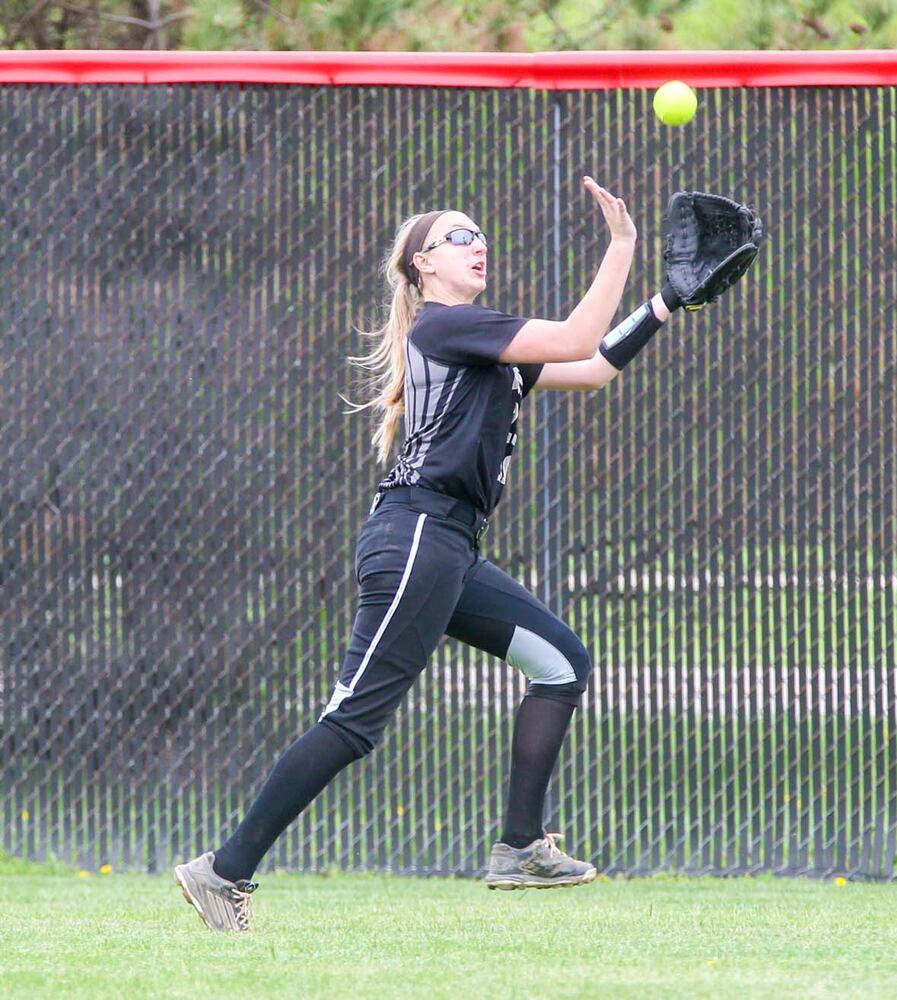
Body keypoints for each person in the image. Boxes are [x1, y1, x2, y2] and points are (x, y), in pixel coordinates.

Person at [176, 178, 693, 931]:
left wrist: (664, 303)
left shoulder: (486, 344)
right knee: (355, 720)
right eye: (458, 236)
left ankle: (521, 846)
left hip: (449, 546)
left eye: (480, 233)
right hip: (415, 535)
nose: (476, 243)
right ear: (422, 266)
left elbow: (593, 366)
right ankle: (223, 871)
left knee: (562, 663)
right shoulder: (446, 327)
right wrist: (621, 248)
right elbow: (577, 338)